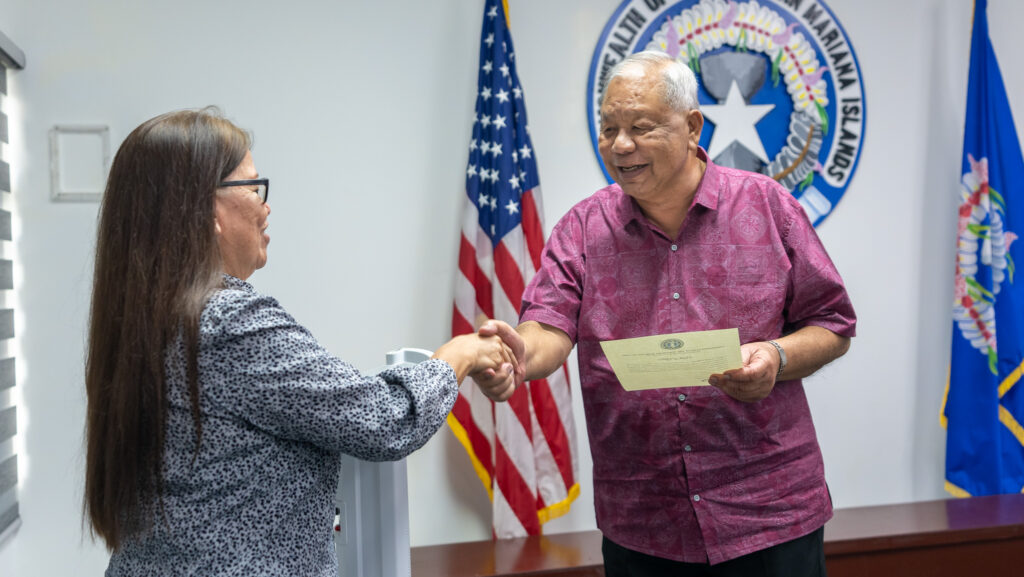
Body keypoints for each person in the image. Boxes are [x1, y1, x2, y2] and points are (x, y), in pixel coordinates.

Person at [83, 108, 515, 576]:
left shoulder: (145, 319)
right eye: (253, 188)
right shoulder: (230, 323)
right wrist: (460, 354)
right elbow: (384, 420)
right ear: (206, 210)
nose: (265, 207)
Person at [475, 51, 856, 576]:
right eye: (609, 128)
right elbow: (548, 326)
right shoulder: (582, 229)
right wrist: (520, 354)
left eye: (640, 127)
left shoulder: (768, 206)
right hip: (644, 522)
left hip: (767, 512)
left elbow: (833, 323)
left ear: (692, 126)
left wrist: (776, 355)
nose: (620, 145)